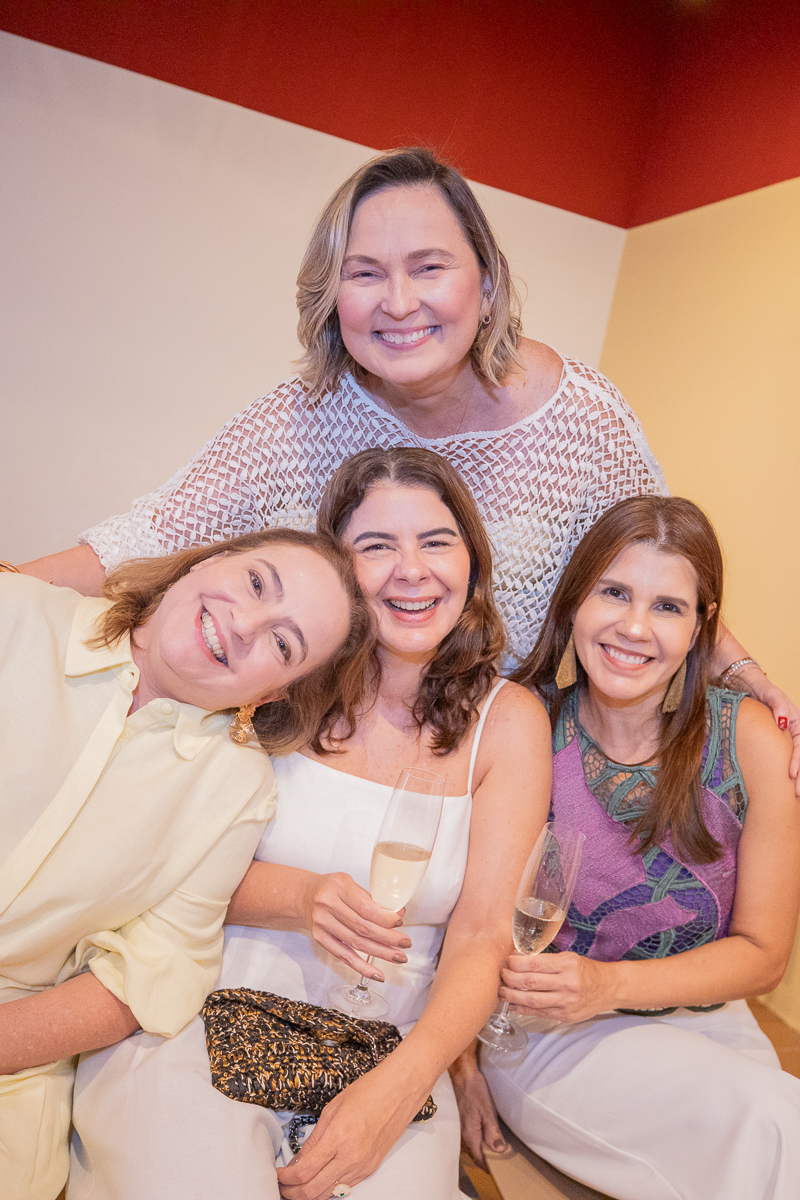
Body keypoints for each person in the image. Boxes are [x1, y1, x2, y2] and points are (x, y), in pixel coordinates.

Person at [15, 146, 797, 777]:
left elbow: (659, 575)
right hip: (302, 760)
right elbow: (140, 542)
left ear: (486, 284)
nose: (397, 302)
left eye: (428, 267)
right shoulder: (299, 418)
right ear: (332, 297)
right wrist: (10, 592)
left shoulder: (582, 423)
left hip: (483, 770)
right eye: (364, 273)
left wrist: (750, 679)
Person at [65, 447, 551, 1200]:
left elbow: (484, 934)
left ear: (472, 562)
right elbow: (154, 868)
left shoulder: (510, 721)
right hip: (199, 1009)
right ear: (338, 572)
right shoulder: (273, 673)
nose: (412, 570)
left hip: (391, 1045)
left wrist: (401, 1087)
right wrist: (300, 898)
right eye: (377, 546)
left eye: (436, 541)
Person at [0, 528, 368, 1200]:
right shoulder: (15, 614)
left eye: (283, 645)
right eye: (256, 583)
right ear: (211, 559)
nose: (246, 624)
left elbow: (141, 978)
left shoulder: (235, 789)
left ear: (275, 693)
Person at [450, 496, 800, 1200]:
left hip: (711, 1023)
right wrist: (458, 1065)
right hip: (547, 1032)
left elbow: (764, 955)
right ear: (575, 601)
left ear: (701, 628)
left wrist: (610, 986)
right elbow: (462, 917)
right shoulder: (522, 727)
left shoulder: (750, 740)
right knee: (771, 1124)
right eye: (613, 592)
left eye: (667, 607)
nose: (634, 627)